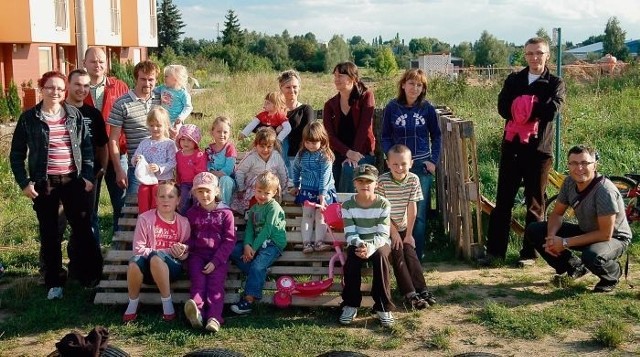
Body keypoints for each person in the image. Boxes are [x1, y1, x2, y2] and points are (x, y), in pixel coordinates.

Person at [10, 71, 102, 298]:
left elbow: (87, 147)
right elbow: (16, 154)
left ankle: (90, 276)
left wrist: (88, 176)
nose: (56, 92)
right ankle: (54, 282)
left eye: (60, 88)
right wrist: (24, 182)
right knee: (50, 234)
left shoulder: (73, 115)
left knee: (83, 228)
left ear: (65, 91)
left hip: (73, 180)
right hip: (46, 182)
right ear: (42, 89)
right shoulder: (30, 118)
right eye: (51, 87)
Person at [480, 37, 566, 267]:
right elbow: (502, 107)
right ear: (525, 55)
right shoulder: (514, 79)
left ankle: (529, 254)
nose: (534, 57)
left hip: (539, 152)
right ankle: (495, 252)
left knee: (535, 203)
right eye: (530, 53)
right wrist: (531, 105)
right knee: (503, 201)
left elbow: (552, 111)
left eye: (539, 53)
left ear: (548, 55)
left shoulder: (555, 82)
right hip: (512, 149)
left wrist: (523, 104)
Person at [526, 145, 632, 292]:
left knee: (592, 255)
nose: (579, 168)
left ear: (595, 165)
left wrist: (563, 242)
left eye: (584, 163)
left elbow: (605, 234)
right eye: (574, 163)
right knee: (535, 230)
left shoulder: (604, 191)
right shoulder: (569, 182)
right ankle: (575, 268)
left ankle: (612, 274)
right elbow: (557, 214)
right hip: (587, 231)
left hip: (614, 238)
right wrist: (551, 238)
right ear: (568, 165)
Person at [380, 68, 442, 261]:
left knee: (418, 213)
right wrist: (391, 158)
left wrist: (433, 161)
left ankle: (416, 255)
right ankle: (396, 253)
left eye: (419, 84)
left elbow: (437, 135)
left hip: (421, 165)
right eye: (411, 83)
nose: (415, 88)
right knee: (393, 210)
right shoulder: (392, 107)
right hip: (398, 166)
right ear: (403, 84)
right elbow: (384, 135)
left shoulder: (427, 108)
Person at [376, 145, 436, 310]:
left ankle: (422, 289)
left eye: (403, 164)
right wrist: (394, 233)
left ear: (411, 163)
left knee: (410, 251)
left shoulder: (413, 179)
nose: (399, 168)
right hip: (385, 227)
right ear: (388, 163)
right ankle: (409, 294)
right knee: (398, 253)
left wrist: (409, 234)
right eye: (395, 164)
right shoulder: (382, 181)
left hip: (404, 226)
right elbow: (381, 211)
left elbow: (412, 208)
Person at [122, 181, 190, 322]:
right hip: (147, 269)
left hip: (172, 269)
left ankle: (167, 304)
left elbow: (188, 249)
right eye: (162, 196)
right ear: (156, 199)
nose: (166, 200)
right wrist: (166, 251)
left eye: (171, 196)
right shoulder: (145, 218)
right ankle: (133, 303)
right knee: (135, 262)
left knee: (157, 257)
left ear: (178, 201)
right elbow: (138, 249)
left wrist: (182, 250)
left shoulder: (184, 222)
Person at [339, 164, 395, 327]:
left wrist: (370, 248)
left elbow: (383, 234)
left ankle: (383, 306)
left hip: (378, 243)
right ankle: (351, 304)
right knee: (352, 261)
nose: (365, 185)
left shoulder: (384, 204)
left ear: (376, 184)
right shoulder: (347, 205)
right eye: (360, 181)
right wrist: (361, 245)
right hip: (358, 241)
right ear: (354, 183)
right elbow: (350, 233)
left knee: (382, 257)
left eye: (369, 181)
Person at [83, 47, 129, 233]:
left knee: (122, 205)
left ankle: (120, 250)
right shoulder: (78, 88)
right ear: (84, 63)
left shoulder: (119, 87)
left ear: (107, 63)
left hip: (117, 154)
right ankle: (93, 252)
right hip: (89, 157)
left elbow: (130, 118)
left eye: (101, 61)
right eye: (93, 61)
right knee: (88, 208)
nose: (98, 65)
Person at [229, 171, 287, 314]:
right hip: (257, 244)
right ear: (254, 189)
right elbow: (249, 229)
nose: (261, 195)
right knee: (233, 251)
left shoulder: (274, 208)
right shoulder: (254, 208)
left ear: (274, 193)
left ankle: (248, 301)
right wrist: (247, 246)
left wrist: (253, 249)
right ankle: (260, 271)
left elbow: (268, 230)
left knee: (257, 265)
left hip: (273, 244)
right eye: (259, 191)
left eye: (266, 193)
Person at [184, 172, 236, 332]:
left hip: (218, 257)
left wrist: (216, 261)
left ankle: (214, 318)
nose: (204, 195)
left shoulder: (226, 213)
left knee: (215, 286)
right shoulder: (191, 213)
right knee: (198, 283)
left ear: (216, 191)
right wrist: (186, 247)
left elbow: (229, 240)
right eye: (200, 191)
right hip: (197, 256)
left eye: (208, 190)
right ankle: (197, 313)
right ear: (194, 193)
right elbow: (189, 237)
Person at [65, 68, 109, 244]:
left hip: (88, 175)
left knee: (89, 218)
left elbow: (102, 145)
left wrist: (103, 168)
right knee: (58, 223)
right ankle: (53, 269)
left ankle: (91, 262)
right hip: (62, 175)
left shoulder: (93, 114)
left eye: (85, 86)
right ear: (68, 84)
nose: (82, 89)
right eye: (77, 84)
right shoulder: (57, 110)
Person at [108, 60, 161, 196]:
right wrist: (119, 170)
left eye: (151, 79)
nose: (147, 83)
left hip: (162, 168)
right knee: (134, 210)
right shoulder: (121, 103)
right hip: (138, 168)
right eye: (143, 79)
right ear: (136, 78)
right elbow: (113, 139)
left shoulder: (161, 100)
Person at [323, 61, 376, 193]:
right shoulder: (330, 105)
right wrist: (347, 152)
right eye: (335, 76)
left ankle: (344, 209)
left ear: (352, 78)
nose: (336, 79)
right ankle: (331, 210)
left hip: (362, 153)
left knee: (348, 168)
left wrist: (353, 154)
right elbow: (329, 135)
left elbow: (364, 129)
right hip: (338, 154)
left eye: (340, 75)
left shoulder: (366, 97)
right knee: (327, 172)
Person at [289, 121, 337, 253]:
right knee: (307, 216)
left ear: (322, 140)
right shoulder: (301, 154)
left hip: (324, 190)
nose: (310, 146)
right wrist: (296, 185)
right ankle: (306, 244)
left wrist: (322, 195)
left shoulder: (325, 156)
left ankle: (319, 242)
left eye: (314, 142)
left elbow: (325, 177)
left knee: (321, 216)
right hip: (307, 189)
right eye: (307, 142)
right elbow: (296, 170)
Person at [230, 127, 288, 215]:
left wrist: (283, 189)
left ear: (274, 146)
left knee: (271, 182)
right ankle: (252, 211)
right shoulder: (252, 157)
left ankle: (270, 213)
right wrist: (241, 189)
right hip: (254, 188)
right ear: (256, 145)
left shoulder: (276, 157)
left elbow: (283, 173)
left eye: (269, 147)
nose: (265, 150)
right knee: (259, 181)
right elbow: (240, 171)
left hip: (270, 187)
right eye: (262, 146)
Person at [131, 107, 177, 214]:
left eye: (158, 125)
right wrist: (136, 160)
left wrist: (159, 167)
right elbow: (134, 158)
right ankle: (144, 218)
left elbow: (173, 162)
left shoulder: (169, 144)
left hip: (163, 181)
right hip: (146, 180)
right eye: (152, 125)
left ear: (166, 126)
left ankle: (156, 217)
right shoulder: (144, 143)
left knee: (157, 191)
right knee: (143, 191)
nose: (155, 128)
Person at [278, 69, 314, 179]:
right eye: (288, 87)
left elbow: (309, 133)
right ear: (281, 88)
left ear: (299, 87)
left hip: (299, 156)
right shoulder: (275, 109)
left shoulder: (305, 109)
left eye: (295, 87)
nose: (292, 90)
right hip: (277, 156)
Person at [153, 64, 193, 139]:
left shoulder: (182, 93)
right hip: (163, 120)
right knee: (163, 139)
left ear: (175, 78)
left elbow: (188, 107)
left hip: (175, 122)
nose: (164, 78)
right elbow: (152, 90)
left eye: (166, 76)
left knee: (175, 139)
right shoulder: (163, 87)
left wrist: (181, 118)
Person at [205, 116, 237, 205]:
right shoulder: (209, 149)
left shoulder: (229, 148)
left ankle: (224, 206)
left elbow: (229, 168)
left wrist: (218, 174)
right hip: (213, 176)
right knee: (207, 180)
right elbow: (207, 165)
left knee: (224, 180)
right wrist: (211, 172)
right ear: (212, 132)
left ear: (229, 133)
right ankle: (208, 207)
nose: (222, 135)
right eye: (218, 131)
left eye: (225, 132)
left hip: (229, 180)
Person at [175, 124, 207, 214]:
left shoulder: (199, 155)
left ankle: (197, 218)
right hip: (184, 184)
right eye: (183, 139)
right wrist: (178, 183)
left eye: (189, 140)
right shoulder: (178, 155)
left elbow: (201, 172)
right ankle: (183, 219)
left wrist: (196, 186)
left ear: (195, 142)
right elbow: (177, 171)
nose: (185, 143)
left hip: (197, 184)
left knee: (196, 199)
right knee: (183, 200)